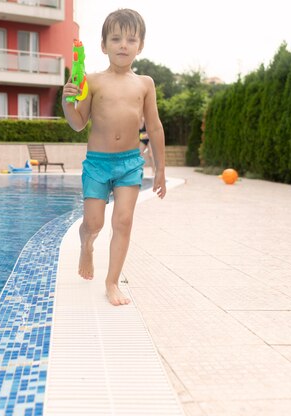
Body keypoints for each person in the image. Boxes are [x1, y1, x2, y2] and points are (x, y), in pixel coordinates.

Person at [62, 8, 166, 306]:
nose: (123, 45)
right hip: (97, 162)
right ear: (103, 45)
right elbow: (78, 122)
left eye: (130, 39)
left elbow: (155, 126)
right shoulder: (92, 81)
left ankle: (112, 282)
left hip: (130, 163)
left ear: (140, 46)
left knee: (123, 221)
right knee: (93, 223)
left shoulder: (145, 83)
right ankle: (87, 245)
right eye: (116, 38)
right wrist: (67, 100)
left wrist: (160, 169)